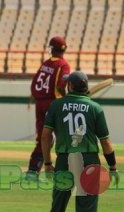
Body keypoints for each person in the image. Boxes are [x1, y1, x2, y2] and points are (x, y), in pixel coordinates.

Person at [38, 71, 118, 212]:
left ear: (71, 87)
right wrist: (113, 167)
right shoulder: (95, 108)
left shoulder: (56, 106)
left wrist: (47, 163)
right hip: (89, 162)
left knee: (57, 210)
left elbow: (46, 136)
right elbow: (106, 142)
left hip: (65, 160)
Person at [27, 36, 70, 175]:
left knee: (43, 138)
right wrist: (68, 99)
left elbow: (35, 83)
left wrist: (32, 99)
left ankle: (33, 171)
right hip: (52, 104)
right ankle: (62, 170)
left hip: (39, 103)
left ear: (51, 49)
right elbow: (61, 86)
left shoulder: (45, 64)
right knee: (63, 137)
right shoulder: (63, 65)